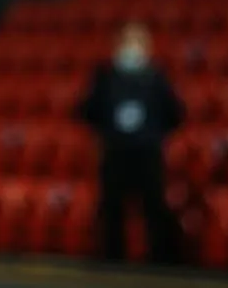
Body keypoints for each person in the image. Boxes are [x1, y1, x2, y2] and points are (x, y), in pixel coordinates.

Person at [76, 22, 184, 265]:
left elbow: (175, 114)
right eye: (127, 41)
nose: (131, 48)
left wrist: (154, 135)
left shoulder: (157, 78)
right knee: (112, 208)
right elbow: (87, 111)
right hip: (115, 152)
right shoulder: (104, 77)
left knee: (153, 206)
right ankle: (113, 259)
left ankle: (160, 260)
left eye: (137, 42)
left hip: (147, 153)